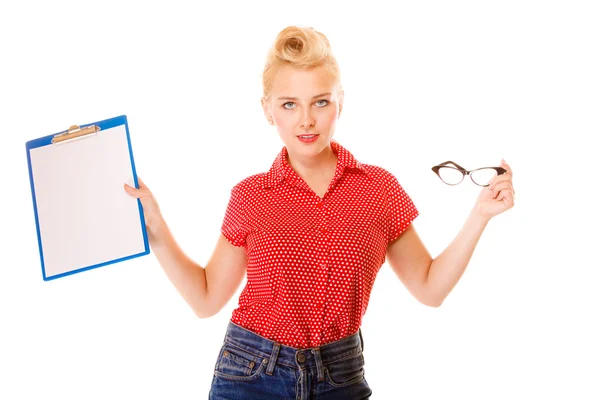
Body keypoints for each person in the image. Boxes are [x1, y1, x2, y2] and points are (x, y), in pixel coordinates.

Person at [124, 25, 515, 400]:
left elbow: (430, 289)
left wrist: (479, 215)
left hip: (340, 378)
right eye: (289, 104)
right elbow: (206, 298)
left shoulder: (378, 190)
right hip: (250, 376)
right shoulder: (250, 196)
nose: (306, 119)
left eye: (321, 102)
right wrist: (156, 229)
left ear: (341, 102)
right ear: (268, 109)